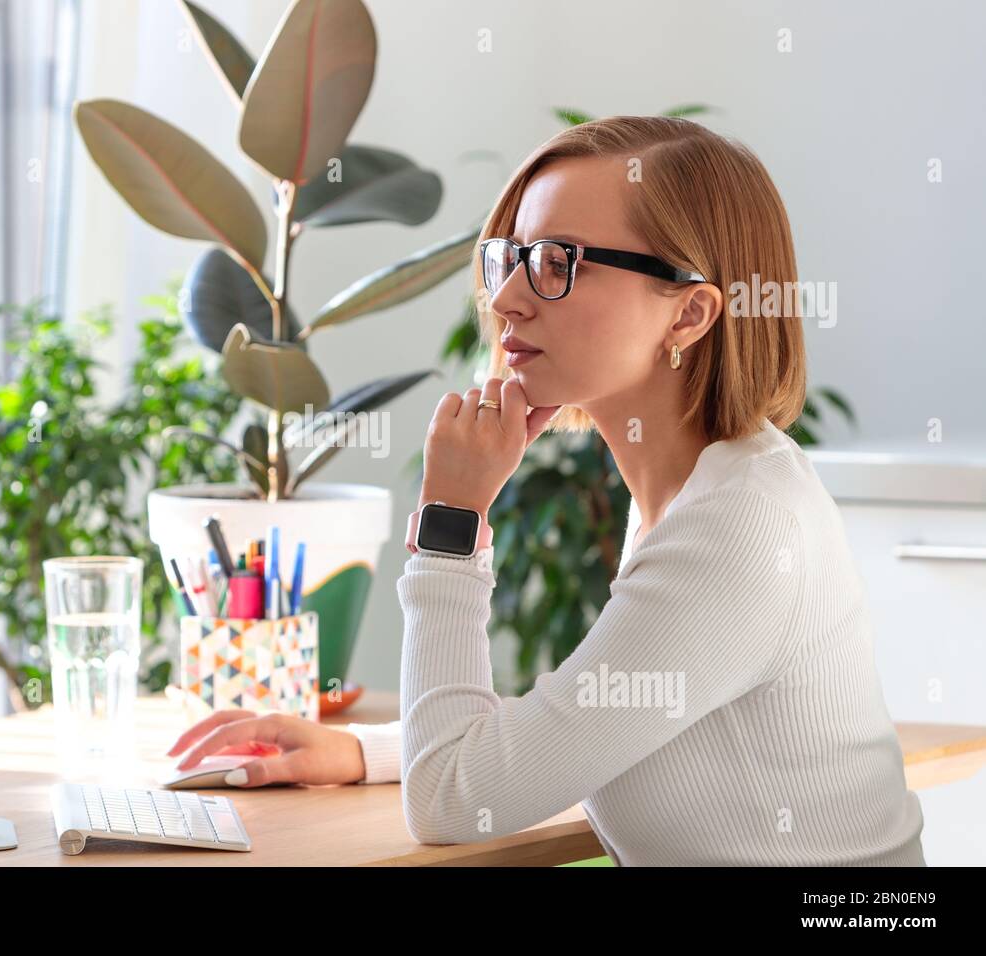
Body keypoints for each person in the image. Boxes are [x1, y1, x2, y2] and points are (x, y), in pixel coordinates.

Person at [166, 116, 925, 866]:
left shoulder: (741, 526)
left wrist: (453, 522)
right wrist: (359, 750)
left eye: (559, 261)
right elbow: (574, 730)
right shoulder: (698, 487)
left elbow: (453, 802)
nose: (506, 303)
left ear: (689, 313)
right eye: (511, 258)